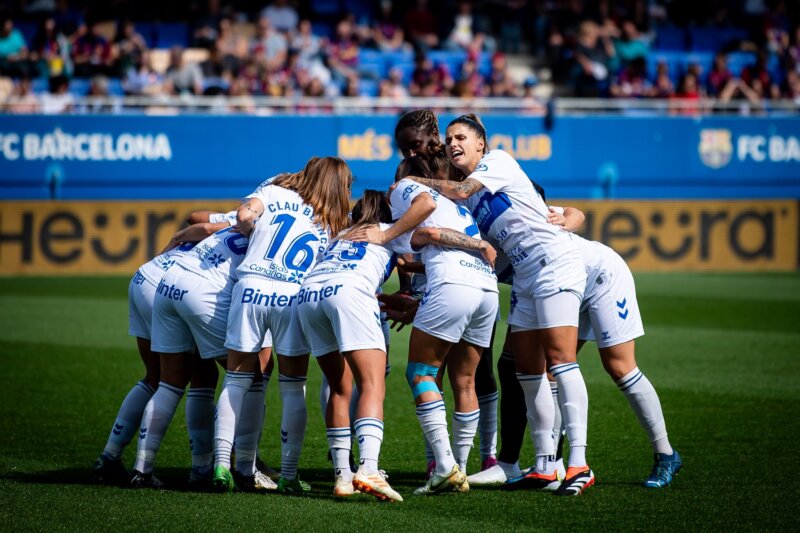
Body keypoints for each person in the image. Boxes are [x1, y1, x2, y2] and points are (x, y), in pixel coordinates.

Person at [403, 114, 593, 496]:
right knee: (526, 372)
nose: (454, 142)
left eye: (462, 137)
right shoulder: (471, 200)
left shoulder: (499, 162)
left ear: (480, 145)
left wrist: (412, 181)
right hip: (525, 276)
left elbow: (459, 191)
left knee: (560, 361)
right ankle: (543, 466)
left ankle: (577, 464)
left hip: (554, 264)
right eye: (451, 137)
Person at [500, 206, 682, 490]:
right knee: (547, 369)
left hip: (599, 276)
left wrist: (566, 222)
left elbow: (576, 214)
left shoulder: (504, 205)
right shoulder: (471, 218)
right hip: (560, 285)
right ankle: (551, 464)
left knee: (619, 365)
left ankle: (666, 453)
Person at [351, 157, 499, 495]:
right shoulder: (458, 211)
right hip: (486, 290)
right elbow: (419, 253)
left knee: (420, 373)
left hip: (454, 284)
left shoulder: (407, 189)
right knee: (465, 381)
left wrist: (387, 232)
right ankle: (459, 469)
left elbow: (427, 217)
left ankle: (445, 467)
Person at [214, 156, 351, 494]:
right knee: (293, 387)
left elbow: (244, 216)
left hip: (251, 286)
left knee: (236, 381)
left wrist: (256, 238)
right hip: (291, 295)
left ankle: (221, 465)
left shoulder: (274, 191)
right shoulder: (334, 220)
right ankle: (289, 474)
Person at [392, 110, 502, 473]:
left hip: (461, 276)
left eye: (415, 145)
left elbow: (420, 234)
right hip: (458, 279)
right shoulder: (412, 171)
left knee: (471, 376)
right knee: (441, 377)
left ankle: (481, 455)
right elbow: (409, 249)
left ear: (433, 136)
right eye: (404, 149)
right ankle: (440, 462)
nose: (410, 155)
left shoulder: (459, 169)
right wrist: (409, 290)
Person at [131, 212, 269, 490]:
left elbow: (201, 224)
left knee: (169, 383)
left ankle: (142, 470)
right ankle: (242, 468)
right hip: (202, 291)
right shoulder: (275, 229)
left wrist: (176, 238)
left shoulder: (244, 218)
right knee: (248, 377)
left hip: (168, 282)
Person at [92, 215, 230, 486]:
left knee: (156, 377)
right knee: (190, 379)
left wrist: (175, 239)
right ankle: (198, 469)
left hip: (149, 275)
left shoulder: (240, 212)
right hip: (177, 286)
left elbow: (197, 219)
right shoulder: (258, 223)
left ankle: (110, 456)